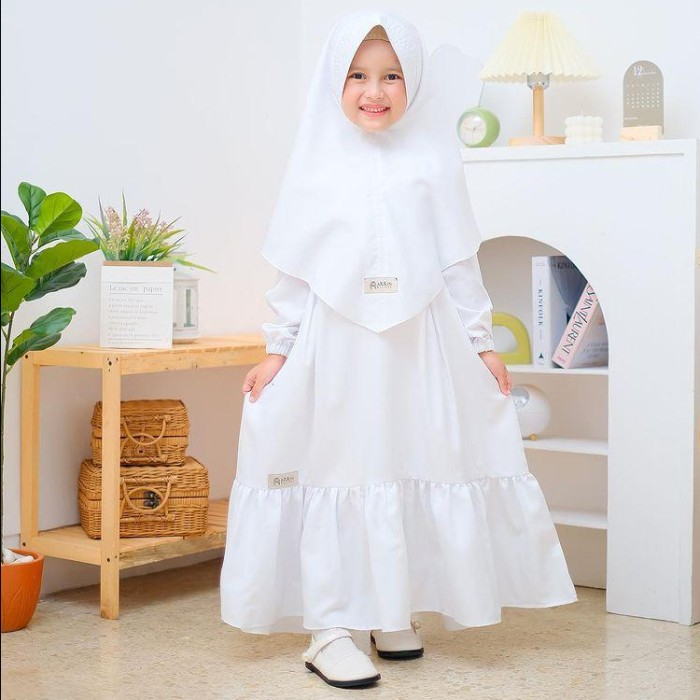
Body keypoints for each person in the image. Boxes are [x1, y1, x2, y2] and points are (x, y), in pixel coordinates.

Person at [220, 9, 577, 690]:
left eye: (391, 75)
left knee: (410, 455)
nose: (374, 90)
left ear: (413, 82)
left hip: (419, 344)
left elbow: (456, 260)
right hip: (336, 346)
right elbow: (296, 269)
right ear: (334, 81)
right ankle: (331, 627)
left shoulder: (432, 159)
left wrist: (481, 343)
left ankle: (390, 609)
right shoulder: (316, 164)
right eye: (357, 75)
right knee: (339, 463)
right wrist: (278, 348)